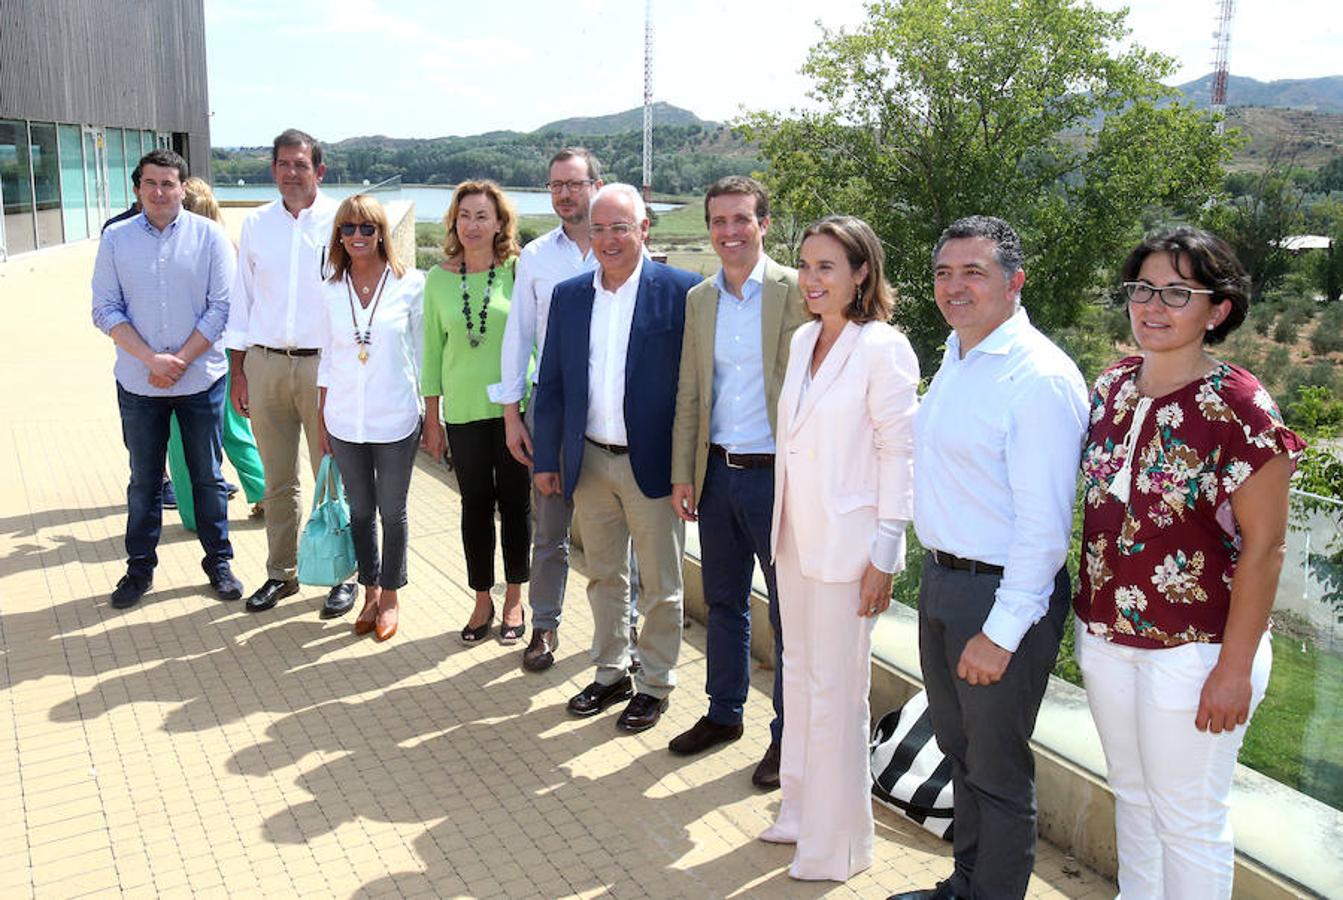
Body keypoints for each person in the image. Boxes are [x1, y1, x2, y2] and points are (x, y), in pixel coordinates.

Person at [1073, 227, 1303, 899]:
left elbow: (1264, 547)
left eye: (1177, 292)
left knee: (1188, 820)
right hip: (1105, 637)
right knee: (1134, 802)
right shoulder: (1112, 387)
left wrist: (1233, 670)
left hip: (1195, 651)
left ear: (1218, 310)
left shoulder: (1237, 408)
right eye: (1142, 288)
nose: (1152, 305)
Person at [892, 216, 1088, 900]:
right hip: (944, 582)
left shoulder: (1037, 378)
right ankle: (964, 886)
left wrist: (1000, 633)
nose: (954, 287)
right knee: (961, 754)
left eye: (972, 272)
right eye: (944, 272)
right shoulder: (959, 352)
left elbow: (1043, 529)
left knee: (998, 773)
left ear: (1014, 282)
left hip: (1001, 597)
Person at [760, 216, 918, 881]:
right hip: (794, 535)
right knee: (797, 675)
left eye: (828, 266)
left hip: (850, 548)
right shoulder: (801, 340)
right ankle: (797, 810)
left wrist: (884, 552)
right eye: (805, 264)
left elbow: (899, 453)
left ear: (861, 273)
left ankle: (838, 846)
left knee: (836, 690)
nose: (812, 278)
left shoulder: (882, 347)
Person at [531, 183, 700, 733]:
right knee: (603, 576)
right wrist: (547, 461)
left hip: (652, 467)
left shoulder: (681, 292)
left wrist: (687, 471)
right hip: (589, 463)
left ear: (644, 229)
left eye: (620, 227)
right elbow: (551, 385)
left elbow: (693, 392)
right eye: (599, 229)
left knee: (661, 584)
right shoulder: (571, 295)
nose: (608, 239)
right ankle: (611, 671)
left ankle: (655, 683)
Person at [666, 176, 807, 788]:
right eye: (718, 221)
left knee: (789, 613)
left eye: (741, 219)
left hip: (781, 478)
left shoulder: (799, 291)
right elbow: (691, 394)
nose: (729, 232)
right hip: (717, 477)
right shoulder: (701, 300)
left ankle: (788, 737)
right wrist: (683, 476)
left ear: (764, 224)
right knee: (724, 604)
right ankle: (724, 714)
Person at [90, 149, 242, 609]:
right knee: (143, 481)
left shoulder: (210, 236)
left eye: (169, 183)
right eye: (151, 183)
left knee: (208, 477)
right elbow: (104, 309)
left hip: (200, 381)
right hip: (139, 383)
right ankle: (139, 570)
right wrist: (151, 359)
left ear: (182, 188)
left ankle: (219, 562)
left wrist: (179, 359)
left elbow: (223, 306)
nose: (159, 191)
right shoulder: (116, 239)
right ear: (138, 187)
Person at [224, 129, 356, 618]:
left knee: (333, 476)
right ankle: (283, 573)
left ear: (318, 170)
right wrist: (239, 372)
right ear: (273, 169)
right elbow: (243, 300)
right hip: (265, 364)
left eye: (301, 164)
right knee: (279, 480)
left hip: (326, 366)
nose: (291, 172)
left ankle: (344, 577)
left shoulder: (345, 220)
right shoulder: (257, 224)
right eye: (283, 164)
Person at [490, 148, 603, 670]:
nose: (564, 194)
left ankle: (617, 635)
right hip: (551, 411)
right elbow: (518, 338)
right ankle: (543, 627)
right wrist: (512, 413)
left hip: (611, 414)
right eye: (555, 185)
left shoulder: (621, 247)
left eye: (574, 184)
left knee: (612, 531)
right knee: (550, 528)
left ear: (595, 186)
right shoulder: (535, 257)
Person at [421, 181, 531, 645]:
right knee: (475, 508)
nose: (472, 225)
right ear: (454, 221)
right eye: (464, 215)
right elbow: (431, 352)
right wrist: (432, 416)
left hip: (514, 411)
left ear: (500, 222)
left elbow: (534, 338)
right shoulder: (438, 278)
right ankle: (482, 596)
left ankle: (514, 597)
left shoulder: (519, 271)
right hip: (462, 414)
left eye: (482, 216)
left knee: (516, 506)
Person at [317, 195, 425, 643]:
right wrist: (322, 416)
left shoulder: (411, 283)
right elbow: (326, 357)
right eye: (348, 229)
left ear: (381, 232)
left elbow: (422, 353)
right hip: (344, 418)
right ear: (338, 236)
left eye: (366, 228)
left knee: (392, 511)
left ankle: (393, 597)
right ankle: (370, 593)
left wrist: (429, 412)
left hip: (396, 415)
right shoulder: (329, 287)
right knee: (361, 511)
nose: (357, 236)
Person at [166, 177, 266, 530]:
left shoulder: (181, 249)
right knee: (234, 430)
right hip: (226, 353)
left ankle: (194, 514)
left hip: (184, 355)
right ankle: (263, 491)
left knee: (180, 439)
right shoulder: (230, 245)